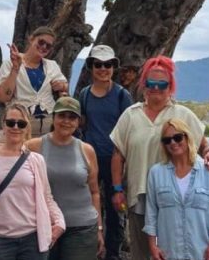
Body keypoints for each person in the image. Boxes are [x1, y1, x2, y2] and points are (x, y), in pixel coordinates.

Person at [110, 55, 209, 260]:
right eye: (151, 83)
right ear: (143, 84)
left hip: (175, 198)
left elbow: (203, 143)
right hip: (139, 196)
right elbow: (118, 154)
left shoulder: (182, 113)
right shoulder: (130, 115)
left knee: (173, 252)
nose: (156, 88)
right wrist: (117, 189)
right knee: (142, 254)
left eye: (162, 84)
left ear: (171, 86)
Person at [0, 103, 65, 260]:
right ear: (3, 125)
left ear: (27, 127)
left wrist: (59, 222)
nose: (15, 127)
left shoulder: (36, 160)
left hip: (33, 241)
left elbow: (46, 197)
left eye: (21, 123)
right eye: (11, 123)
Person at [25, 97, 103, 260]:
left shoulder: (87, 150)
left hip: (82, 229)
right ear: (53, 117)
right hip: (46, 227)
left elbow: (94, 192)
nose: (66, 121)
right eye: (62, 116)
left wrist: (100, 229)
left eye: (72, 117)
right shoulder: (34, 146)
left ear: (78, 122)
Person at [76, 45, 133, 260]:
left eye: (108, 64)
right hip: (90, 159)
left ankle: (113, 254)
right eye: (98, 64)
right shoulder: (84, 94)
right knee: (87, 204)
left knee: (115, 208)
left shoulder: (122, 95)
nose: (103, 69)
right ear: (91, 67)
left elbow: (128, 129)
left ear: (113, 67)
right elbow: (82, 124)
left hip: (115, 159)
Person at [145, 119, 209, 260]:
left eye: (177, 137)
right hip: (168, 253)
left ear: (187, 137)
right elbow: (151, 214)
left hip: (202, 253)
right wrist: (152, 246)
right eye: (167, 140)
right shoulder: (155, 173)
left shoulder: (207, 172)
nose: (173, 143)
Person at [0, 26, 69, 137]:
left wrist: (61, 85)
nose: (43, 47)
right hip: (20, 124)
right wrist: (15, 68)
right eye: (41, 42)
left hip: (49, 125)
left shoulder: (51, 65)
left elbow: (64, 85)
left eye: (48, 46)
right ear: (31, 39)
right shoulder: (9, 64)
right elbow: (4, 97)